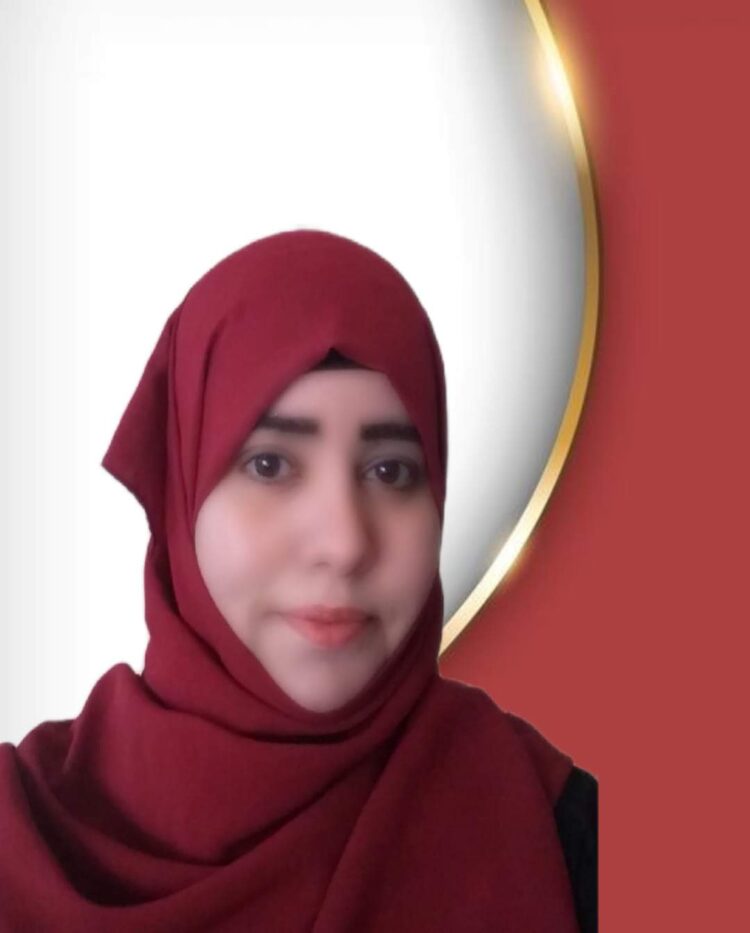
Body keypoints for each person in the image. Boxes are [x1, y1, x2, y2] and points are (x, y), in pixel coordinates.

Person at [0, 230, 596, 931]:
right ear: (178, 494)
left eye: (391, 471)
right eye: (270, 465)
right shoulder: (24, 833)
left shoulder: (560, 829)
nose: (344, 544)